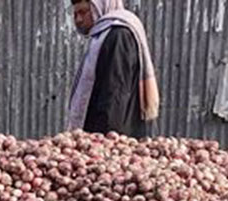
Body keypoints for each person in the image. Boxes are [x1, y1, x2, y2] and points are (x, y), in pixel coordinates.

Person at [68, 0, 159, 137]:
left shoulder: (118, 36)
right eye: (75, 14)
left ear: (99, 7)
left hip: (113, 135)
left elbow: (115, 95)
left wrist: (106, 141)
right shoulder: (102, 36)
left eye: (83, 12)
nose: (78, 20)